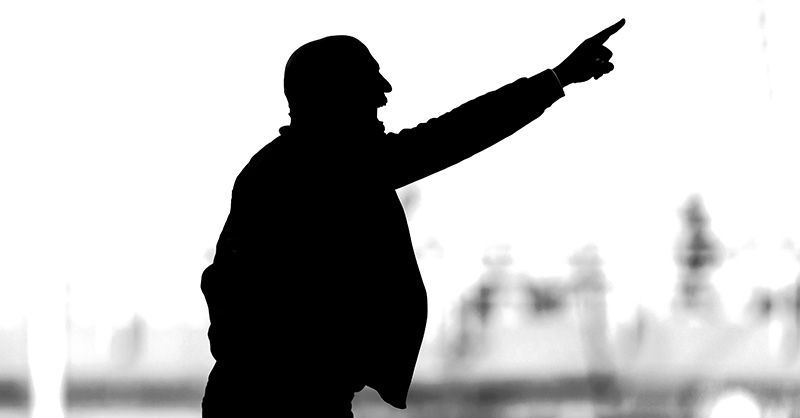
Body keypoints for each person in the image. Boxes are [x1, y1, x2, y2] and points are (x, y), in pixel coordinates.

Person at [201, 18, 626, 417]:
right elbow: (452, 135)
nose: (384, 91)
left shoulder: (286, 170)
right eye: (369, 78)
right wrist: (557, 79)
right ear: (334, 95)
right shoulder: (325, 169)